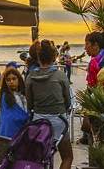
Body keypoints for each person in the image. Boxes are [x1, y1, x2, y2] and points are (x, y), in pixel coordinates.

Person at [25, 39, 73, 169]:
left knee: (44, 157)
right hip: (59, 121)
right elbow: (68, 101)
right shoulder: (60, 76)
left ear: (38, 58)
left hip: (39, 122)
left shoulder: (30, 77)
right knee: (68, 157)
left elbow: (29, 104)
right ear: (54, 57)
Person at [0, 68, 29, 138]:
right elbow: (10, 117)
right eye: (8, 80)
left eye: (14, 79)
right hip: (10, 134)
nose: (11, 82)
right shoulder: (5, 96)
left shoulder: (24, 95)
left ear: (19, 79)